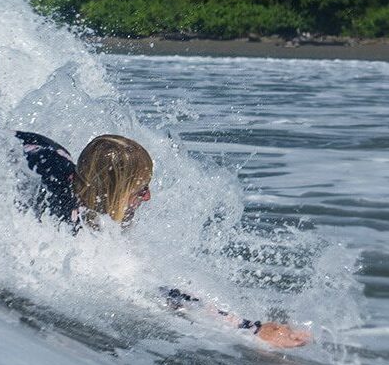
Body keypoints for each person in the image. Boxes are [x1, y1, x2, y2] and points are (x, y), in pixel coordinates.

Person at [16, 131, 311, 349]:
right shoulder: (71, 224)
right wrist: (251, 329)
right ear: (115, 192)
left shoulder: (81, 180)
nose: (148, 196)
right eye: (140, 189)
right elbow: (157, 293)